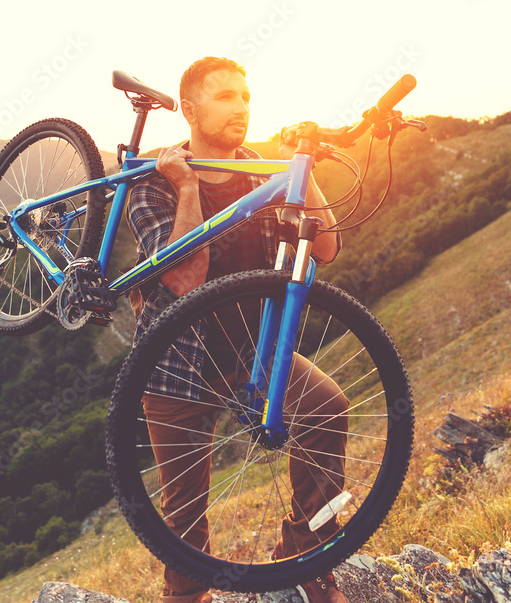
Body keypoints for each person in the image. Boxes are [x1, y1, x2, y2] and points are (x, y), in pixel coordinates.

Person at [126, 56, 350, 603]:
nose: (241, 108)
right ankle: (186, 596)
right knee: (184, 527)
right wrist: (185, 190)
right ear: (190, 108)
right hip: (177, 364)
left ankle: (305, 559)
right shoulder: (153, 179)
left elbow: (325, 247)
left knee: (326, 407)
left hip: (253, 354)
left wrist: (306, 167)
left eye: (246, 97)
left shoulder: (262, 169)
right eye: (225, 97)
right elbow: (185, 278)